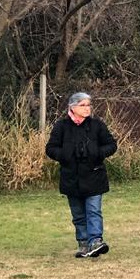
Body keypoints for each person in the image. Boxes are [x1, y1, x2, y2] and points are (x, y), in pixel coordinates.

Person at [45, 92, 118, 258]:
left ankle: (96, 241)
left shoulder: (97, 125)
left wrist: (98, 153)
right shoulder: (61, 126)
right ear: (72, 107)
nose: (87, 108)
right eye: (83, 105)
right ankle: (84, 244)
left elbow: (111, 145)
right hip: (71, 178)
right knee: (78, 214)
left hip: (94, 176)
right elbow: (50, 148)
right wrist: (65, 155)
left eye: (89, 105)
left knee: (94, 211)